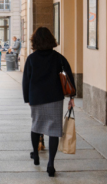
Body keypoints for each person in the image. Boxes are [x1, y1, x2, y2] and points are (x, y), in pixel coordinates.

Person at [22, 27, 76, 178]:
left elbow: (26, 80)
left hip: (37, 97)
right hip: (55, 97)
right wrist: (72, 97)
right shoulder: (58, 58)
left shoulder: (32, 59)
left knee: (36, 125)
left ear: (35, 41)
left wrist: (27, 98)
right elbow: (69, 76)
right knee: (54, 130)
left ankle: (37, 157)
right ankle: (51, 163)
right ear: (51, 40)